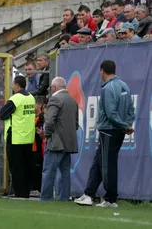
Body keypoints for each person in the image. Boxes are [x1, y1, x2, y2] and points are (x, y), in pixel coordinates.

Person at [74, 60, 135, 208]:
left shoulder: (108, 89)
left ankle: (110, 199)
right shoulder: (124, 85)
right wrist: (126, 125)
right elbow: (131, 110)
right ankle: (89, 194)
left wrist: (122, 125)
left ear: (102, 71)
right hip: (118, 131)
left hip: (108, 131)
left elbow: (110, 113)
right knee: (98, 163)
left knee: (107, 165)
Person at [40, 77, 79, 202]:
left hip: (56, 143)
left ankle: (46, 198)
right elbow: (76, 124)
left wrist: (48, 135)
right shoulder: (73, 101)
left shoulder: (55, 99)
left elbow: (49, 121)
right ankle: (64, 198)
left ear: (54, 88)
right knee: (65, 173)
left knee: (48, 172)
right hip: (69, 143)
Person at [0, 76, 36, 198]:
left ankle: (19, 192)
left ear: (16, 85)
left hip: (15, 136)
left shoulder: (15, 99)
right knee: (27, 165)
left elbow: (3, 114)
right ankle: (26, 192)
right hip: (28, 136)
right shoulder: (31, 98)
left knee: (16, 166)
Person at [29, 96, 46, 198]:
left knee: (38, 168)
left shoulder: (42, 118)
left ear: (39, 105)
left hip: (38, 147)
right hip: (31, 146)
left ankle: (38, 188)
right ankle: (32, 188)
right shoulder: (31, 116)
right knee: (32, 168)